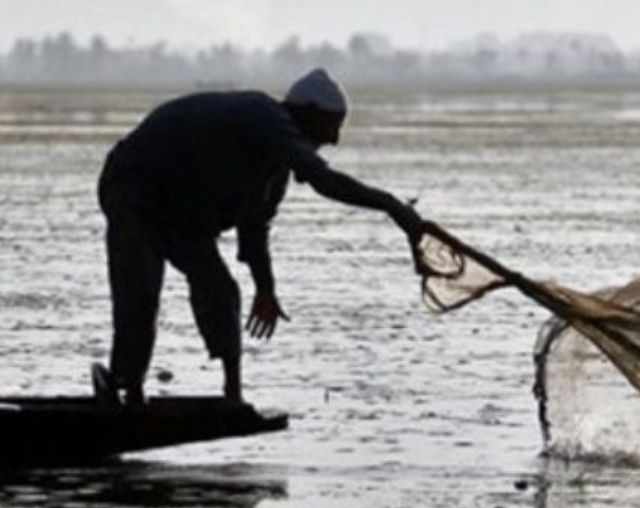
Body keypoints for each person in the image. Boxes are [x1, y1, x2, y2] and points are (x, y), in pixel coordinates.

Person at [92, 68, 424, 405]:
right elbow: (323, 179)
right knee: (141, 286)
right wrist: (390, 205)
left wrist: (265, 288)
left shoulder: (273, 173)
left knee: (220, 290)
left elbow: (254, 231)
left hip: (183, 210)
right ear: (305, 114)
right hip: (133, 185)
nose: (335, 139)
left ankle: (232, 395)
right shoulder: (264, 116)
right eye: (331, 126)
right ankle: (125, 388)